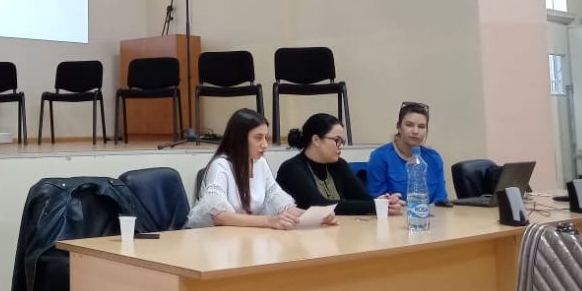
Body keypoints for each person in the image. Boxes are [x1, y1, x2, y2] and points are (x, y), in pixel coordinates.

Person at [187, 108, 335, 229]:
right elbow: (219, 217)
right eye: (258, 138)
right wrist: (268, 221)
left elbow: (283, 207)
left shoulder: (260, 164)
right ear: (239, 139)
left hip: (244, 238)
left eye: (266, 137)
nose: (265, 144)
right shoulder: (220, 165)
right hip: (213, 241)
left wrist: (316, 217)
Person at [276, 113, 403, 216]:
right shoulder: (291, 169)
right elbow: (320, 206)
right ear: (316, 140)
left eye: (342, 142)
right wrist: (376, 205)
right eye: (337, 140)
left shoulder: (339, 164)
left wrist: (386, 202)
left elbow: (362, 198)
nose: (341, 146)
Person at [367, 101, 448, 203]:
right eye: (409, 125)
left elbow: (441, 201)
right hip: (395, 213)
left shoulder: (434, 158)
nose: (415, 131)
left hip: (429, 213)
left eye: (421, 127)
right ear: (399, 127)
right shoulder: (380, 157)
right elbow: (376, 202)